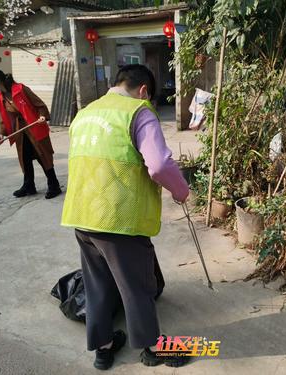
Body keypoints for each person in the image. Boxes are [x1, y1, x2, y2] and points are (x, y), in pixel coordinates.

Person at [61, 64, 190, 370]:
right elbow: (158, 165)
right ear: (144, 90)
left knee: (97, 285)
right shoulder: (138, 112)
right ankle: (153, 348)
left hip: (82, 214)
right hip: (118, 217)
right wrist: (181, 191)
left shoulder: (86, 112)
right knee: (137, 286)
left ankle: (103, 349)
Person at [0, 68, 62, 199]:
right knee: (24, 158)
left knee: (42, 155)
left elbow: (40, 105)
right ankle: (29, 186)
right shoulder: (0, 98)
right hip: (20, 130)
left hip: (34, 126)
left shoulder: (20, 89)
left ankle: (54, 185)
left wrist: (43, 116)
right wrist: (2, 134)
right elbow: (5, 118)